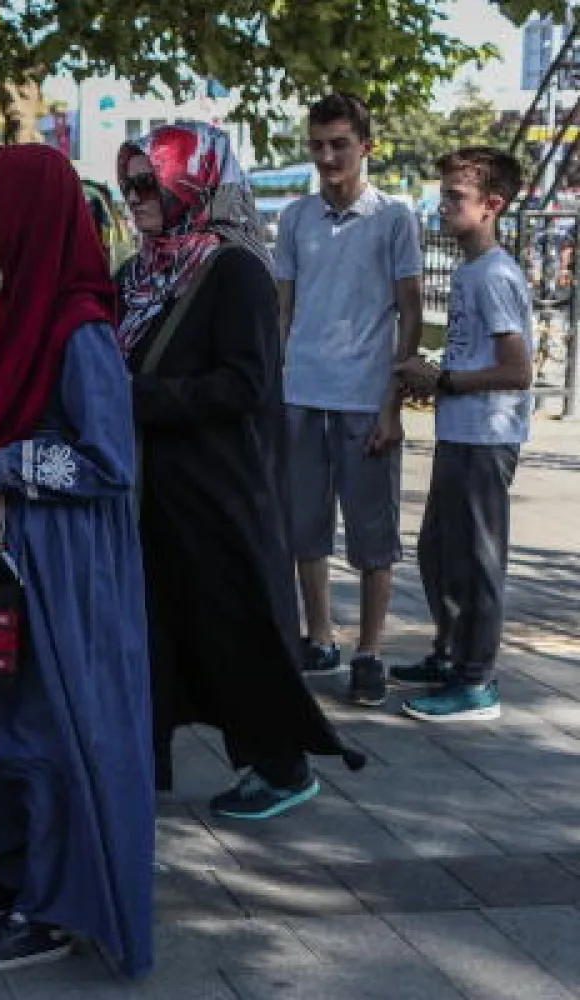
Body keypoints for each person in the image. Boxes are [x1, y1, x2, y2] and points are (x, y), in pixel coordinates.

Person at [0, 143, 153, 977]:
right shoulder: (0, 319)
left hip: (63, 575)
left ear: (25, 217)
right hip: (5, 566)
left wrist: (3, 470)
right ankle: (14, 871)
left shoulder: (79, 328)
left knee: (51, 735)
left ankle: (51, 907)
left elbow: (108, 461)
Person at [116, 123, 367, 822]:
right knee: (166, 627)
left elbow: (246, 384)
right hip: (157, 491)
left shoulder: (234, 269)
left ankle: (281, 766)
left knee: (238, 627)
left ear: (192, 183)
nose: (134, 198)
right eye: (129, 184)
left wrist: (137, 398)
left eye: (148, 184)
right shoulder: (144, 271)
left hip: (222, 491)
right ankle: (149, 760)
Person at [276, 93, 424, 706]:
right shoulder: (295, 217)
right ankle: (320, 634)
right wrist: (273, 383)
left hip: (365, 397)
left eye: (340, 143)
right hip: (301, 394)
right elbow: (282, 306)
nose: (328, 156)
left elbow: (411, 313)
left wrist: (392, 402)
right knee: (304, 526)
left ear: (366, 145)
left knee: (371, 532)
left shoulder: (394, 216)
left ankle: (370, 650)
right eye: (318, 144)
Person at [393, 148, 533, 723]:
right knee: (439, 553)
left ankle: (477, 683)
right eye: (443, 193)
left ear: (492, 205)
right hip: (461, 431)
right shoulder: (473, 270)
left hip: (484, 437)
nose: (442, 205)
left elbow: (518, 369)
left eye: (455, 197)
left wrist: (443, 378)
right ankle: (451, 656)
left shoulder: (496, 274)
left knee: (475, 560)